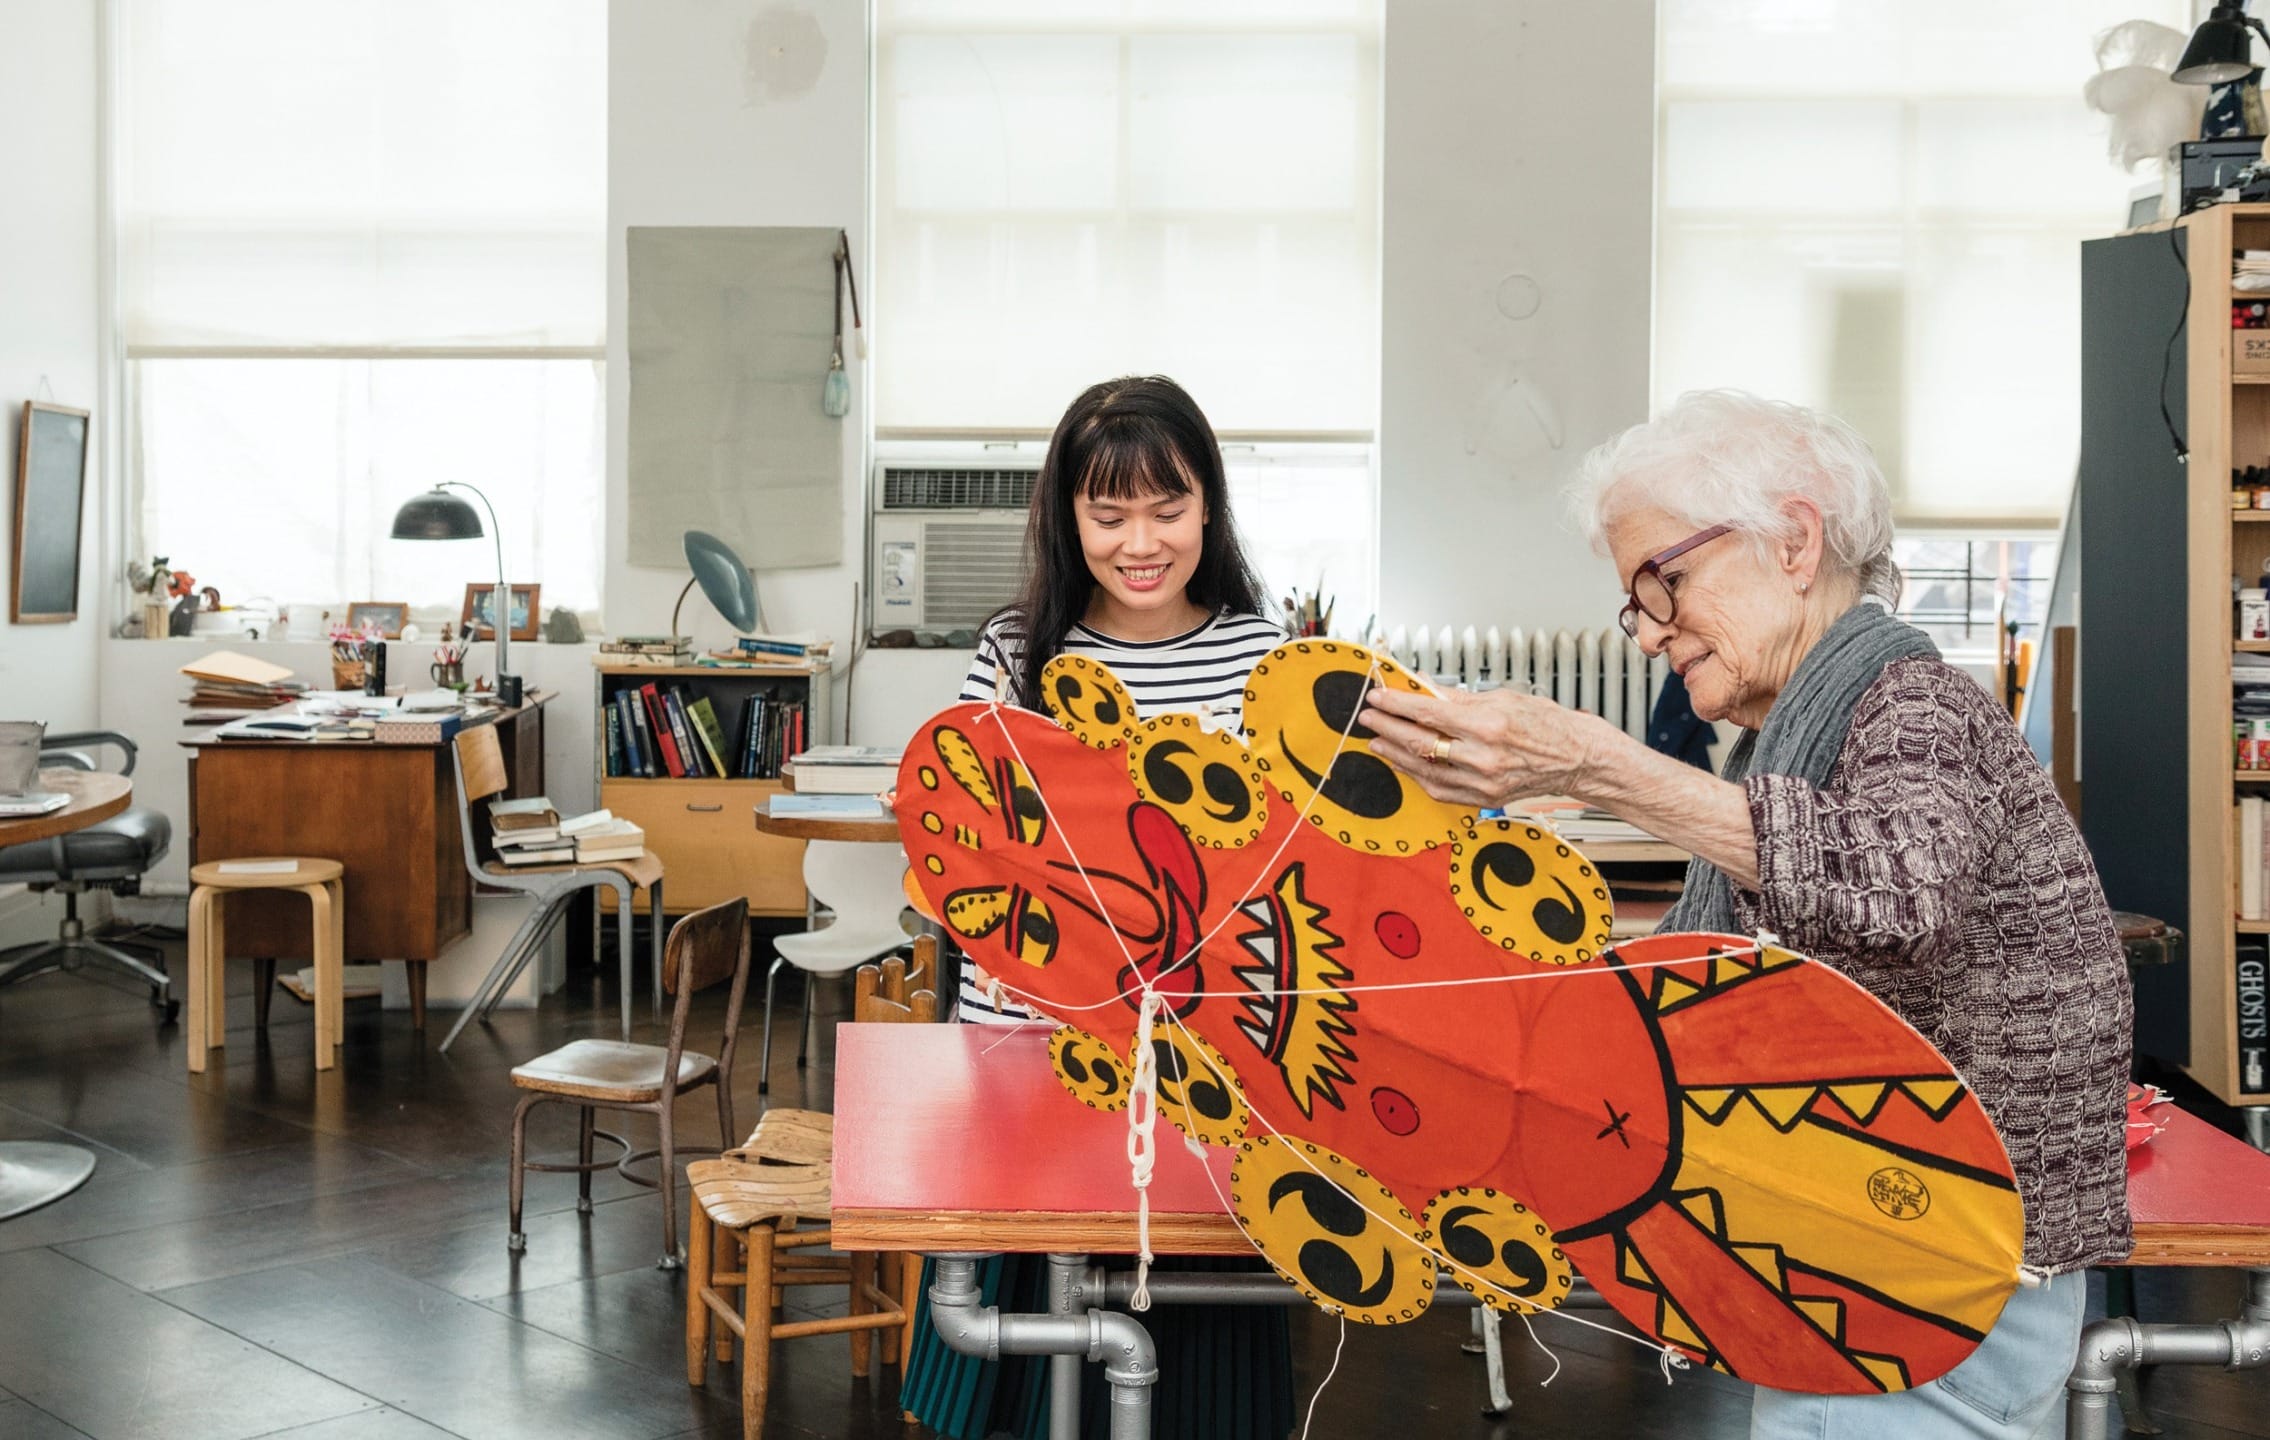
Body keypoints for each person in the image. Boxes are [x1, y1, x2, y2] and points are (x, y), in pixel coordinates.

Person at [1357, 389, 2132, 1440]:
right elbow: (1734, 973)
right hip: (1876, 1257)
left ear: (1793, 543)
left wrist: (1599, 766)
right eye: (1636, 603)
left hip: (1940, 1277)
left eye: (1661, 584)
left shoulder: (1913, 704)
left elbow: (1897, 895)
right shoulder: (1803, 726)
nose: (1647, 636)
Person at [903, 374, 1294, 1440]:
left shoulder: (1265, 661)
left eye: (1165, 509)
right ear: (1064, 517)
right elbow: (970, 859)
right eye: (1107, 512)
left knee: (1192, 1372)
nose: (1139, 542)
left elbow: (1284, 879)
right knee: (1028, 1372)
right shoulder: (1016, 653)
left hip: (1205, 1070)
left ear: (1208, 507)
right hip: (1026, 1052)